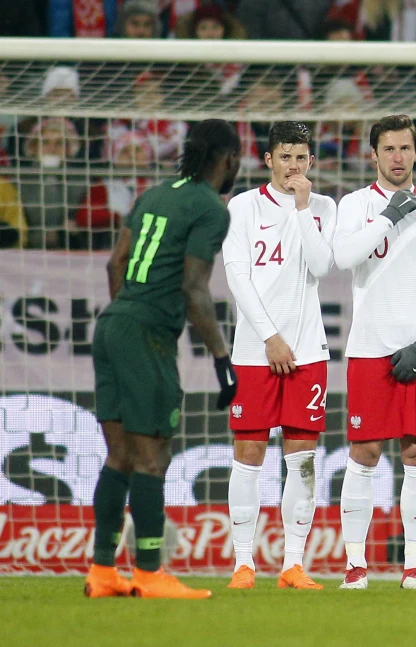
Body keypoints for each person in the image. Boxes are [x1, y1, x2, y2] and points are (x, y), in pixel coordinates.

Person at [83, 119, 241, 599]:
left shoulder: (151, 194)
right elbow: (194, 288)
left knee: (120, 456)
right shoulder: (210, 208)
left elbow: (115, 262)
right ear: (230, 159)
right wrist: (221, 358)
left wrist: (128, 313)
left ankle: (102, 571)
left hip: (112, 324)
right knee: (151, 457)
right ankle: (149, 573)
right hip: (146, 334)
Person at [333, 114, 416, 590]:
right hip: (369, 347)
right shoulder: (355, 204)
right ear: (374, 154)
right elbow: (344, 258)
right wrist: (390, 215)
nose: (398, 157)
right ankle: (355, 568)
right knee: (364, 452)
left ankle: (415, 568)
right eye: (389, 148)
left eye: (405, 148)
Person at [222, 122, 336, 590]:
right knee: (248, 455)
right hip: (255, 351)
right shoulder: (243, 206)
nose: (293, 166)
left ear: (311, 161)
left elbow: (322, 266)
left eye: (301, 157)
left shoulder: (323, 207)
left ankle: (293, 564)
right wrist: (270, 336)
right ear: (268, 159)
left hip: (308, 351)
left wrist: (304, 208)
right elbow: (237, 276)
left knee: (302, 459)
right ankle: (243, 564)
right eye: (285, 157)